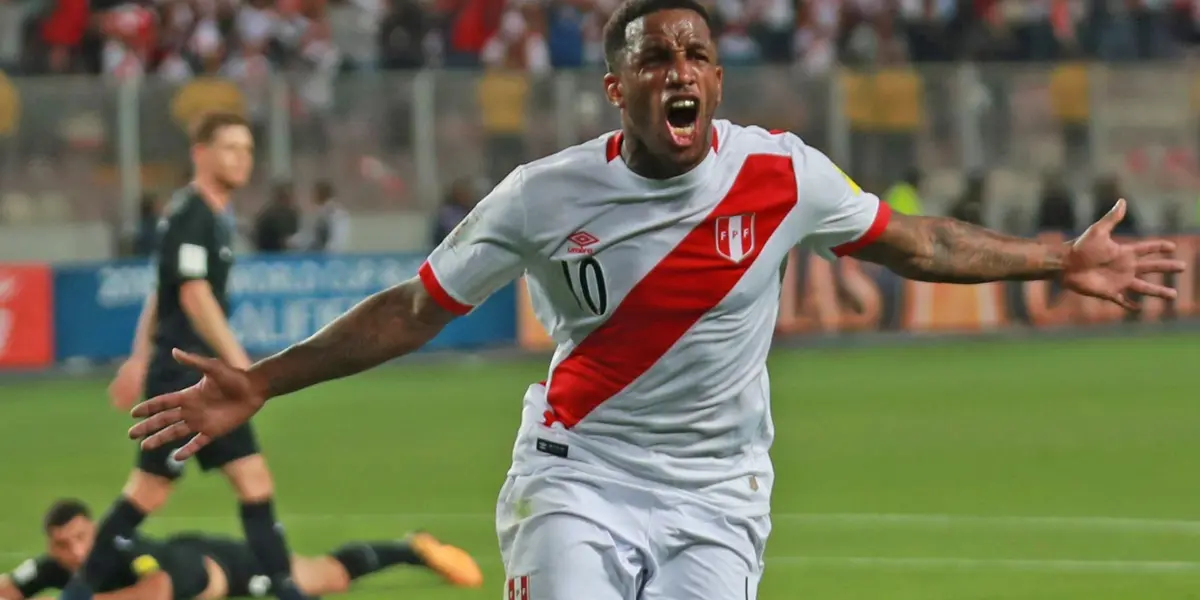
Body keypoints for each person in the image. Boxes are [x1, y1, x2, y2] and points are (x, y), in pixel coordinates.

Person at [126, 2, 1185, 599]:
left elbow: (918, 240)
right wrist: (261, 383)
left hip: (722, 491)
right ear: (618, 89)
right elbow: (416, 306)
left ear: (716, 83)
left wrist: (1058, 261)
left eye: (697, 55)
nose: (680, 69)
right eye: (656, 58)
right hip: (582, 471)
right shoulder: (544, 195)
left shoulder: (784, 174)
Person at [86, 112, 311, 600]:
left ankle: (288, 590)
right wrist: (243, 365)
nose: (242, 158)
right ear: (200, 153)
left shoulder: (208, 216)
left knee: (252, 479)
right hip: (187, 375)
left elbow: (160, 292)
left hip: (201, 375)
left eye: (247, 149)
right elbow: (191, 294)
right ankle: (78, 593)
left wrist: (136, 356)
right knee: (150, 490)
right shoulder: (192, 214)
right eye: (230, 148)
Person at [0, 499, 483, 600]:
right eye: (64, 545)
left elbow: (159, 589)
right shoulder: (51, 568)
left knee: (323, 579)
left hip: (226, 567)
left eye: (83, 537)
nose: (76, 551)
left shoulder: (124, 553)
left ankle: (413, 549)